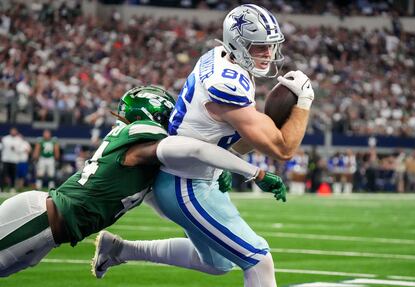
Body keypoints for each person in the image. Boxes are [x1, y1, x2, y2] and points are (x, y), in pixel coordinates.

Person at [92, 5, 314, 287]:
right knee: (258, 260)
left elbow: (237, 140)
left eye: (271, 46)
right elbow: (284, 150)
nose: (268, 54)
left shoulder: (219, 57)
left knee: (218, 263)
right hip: (184, 184)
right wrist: (304, 102)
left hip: (190, 175)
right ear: (238, 43)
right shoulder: (227, 84)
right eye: (259, 47)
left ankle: (119, 250)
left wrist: (249, 142)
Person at [0, 85, 285, 277]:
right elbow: (195, 148)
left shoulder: (142, 163)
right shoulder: (143, 139)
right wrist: (255, 172)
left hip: (52, 231)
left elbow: (174, 212)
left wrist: (212, 175)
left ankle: (120, 251)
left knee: (218, 263)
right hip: (37, 218)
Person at [1, 127, 22, 192]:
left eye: (14, 131)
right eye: (12, 131)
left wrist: (15, 148)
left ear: (16, 132)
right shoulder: (5, 139)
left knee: (13, 175)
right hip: (6, 159)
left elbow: (21, 150)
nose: (13, 132)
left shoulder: (19, 140)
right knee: (3, 174)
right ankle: (2, 188)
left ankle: (12, 187)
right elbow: (1, 147)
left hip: (14, 160)